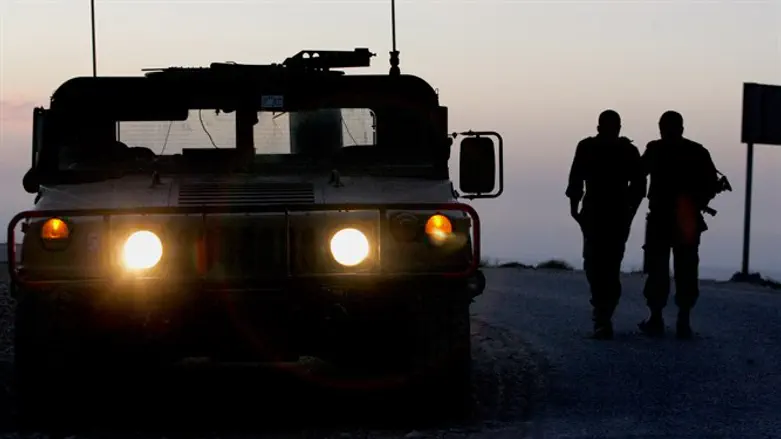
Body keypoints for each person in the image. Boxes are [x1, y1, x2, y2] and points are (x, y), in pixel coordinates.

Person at [637, 111, 720, 339]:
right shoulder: (696, 151)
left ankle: (660, 318)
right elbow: (711, 185)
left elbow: (638, 172)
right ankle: (680, 320)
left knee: (662, 269)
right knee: (683, 269)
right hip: (682, 220)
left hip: (665, 219)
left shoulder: (657, 149)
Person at [566, 110, 647, 339]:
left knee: (606, 265)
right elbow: (576, 179)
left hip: (613, 213)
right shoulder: (589, 147)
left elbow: (639, 186)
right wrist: (575, 208)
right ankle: (603, 314)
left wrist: (629, 211)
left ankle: (603, 316)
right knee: (597, 265)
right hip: (598, 213)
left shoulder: (626, 150)